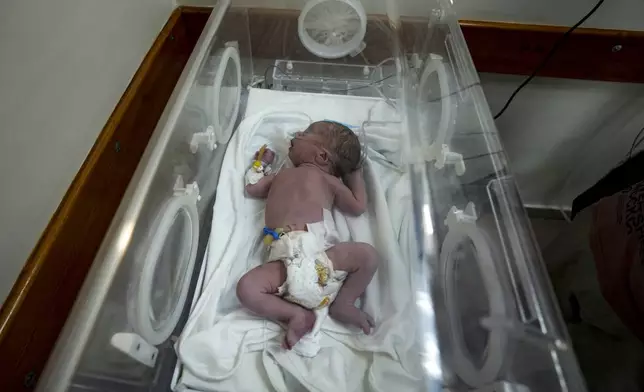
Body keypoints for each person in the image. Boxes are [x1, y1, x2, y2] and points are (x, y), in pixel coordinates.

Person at [236, 120, 378, 350]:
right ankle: (296, 315)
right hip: (286, 261)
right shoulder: (281, 175)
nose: (298, 132)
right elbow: (253, 187)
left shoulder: (329, 181)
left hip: (322, 257)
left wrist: (354, 173)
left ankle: (344, 303)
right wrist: (259, 164)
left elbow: (358, 205)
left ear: (322, 157)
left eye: (306, 133)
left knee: (368, 256)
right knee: (246, 288)